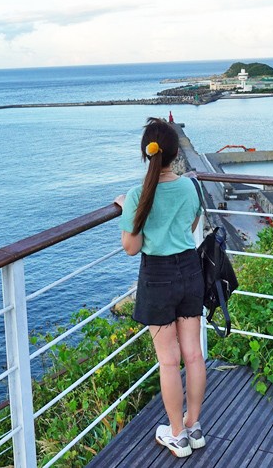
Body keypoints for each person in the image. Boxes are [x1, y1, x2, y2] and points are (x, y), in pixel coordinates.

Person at [114, 117, 206, 458]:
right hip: (189, 270)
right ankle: (194, 427)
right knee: (193, 354)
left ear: (146, 154)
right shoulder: (189, 187)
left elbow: (131, 247)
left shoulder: (139, 195)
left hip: (158, 276)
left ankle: (177, 435)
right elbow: (192, 223)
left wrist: (128, 210)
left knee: (169, 362)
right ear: (173, 155)